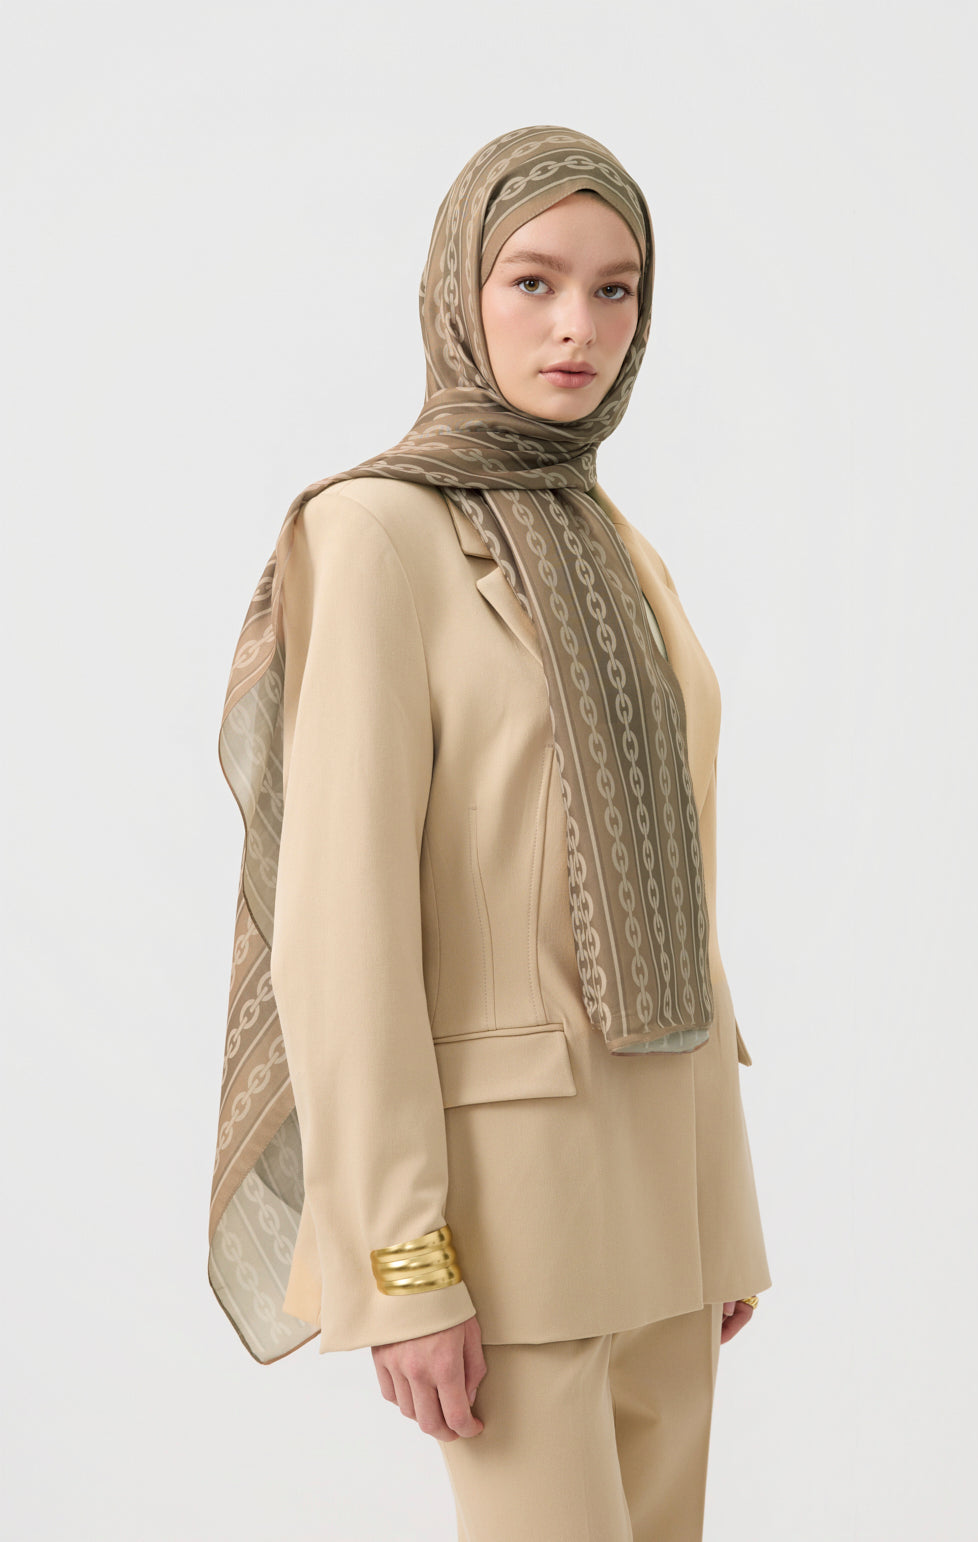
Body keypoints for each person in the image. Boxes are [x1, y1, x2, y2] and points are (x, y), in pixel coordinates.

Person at [208, 124, 771, 1542]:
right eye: (533, 281)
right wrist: (403, 1266)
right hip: (506, 1217)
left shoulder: (612, 537)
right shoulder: (373, 532)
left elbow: (683, 891)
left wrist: (723, 1206)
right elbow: (342, 931)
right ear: (459, 291)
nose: (578, 325)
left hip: (670, 1191)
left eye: (615, 289)